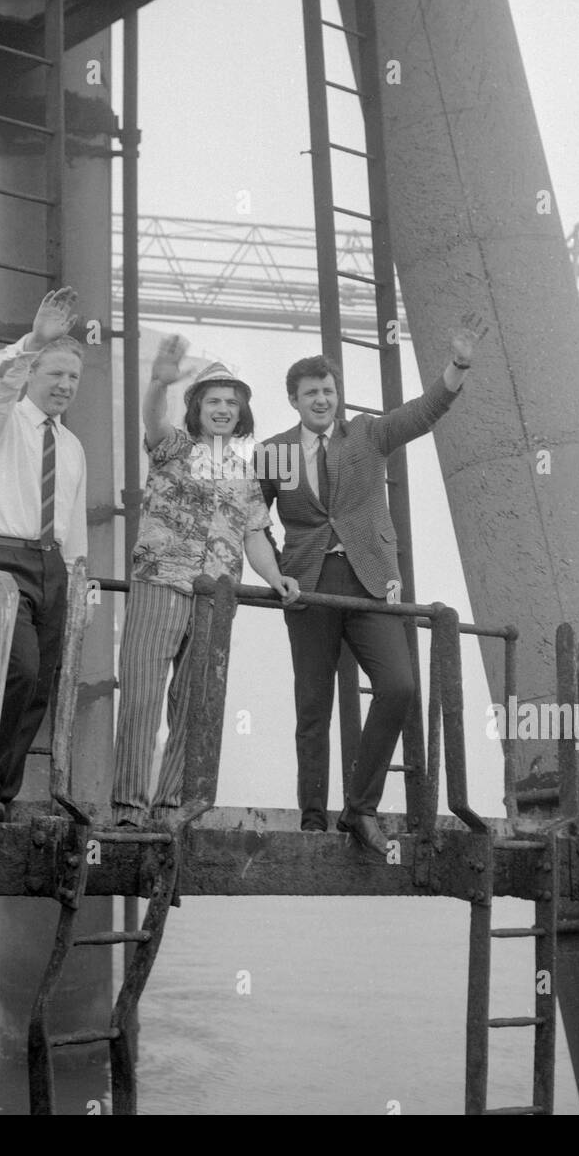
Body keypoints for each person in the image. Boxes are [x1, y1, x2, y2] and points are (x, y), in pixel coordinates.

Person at [257, 316, 487, 857]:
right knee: (312, 705)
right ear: (293, 399)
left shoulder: (367, 433)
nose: (322, 399)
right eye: (310, 392)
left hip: (368, 581)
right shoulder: (274, 452)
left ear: (338, 396)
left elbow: (424, 412)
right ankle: (312, 819)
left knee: (400, 687)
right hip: (307, 586)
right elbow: (252, 521)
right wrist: (275, 576)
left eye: (328, 391)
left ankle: (359, 809)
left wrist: (456, 365)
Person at [111, 335, 300, 827]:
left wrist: (277, 578)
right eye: (213, 401)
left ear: (242, 414)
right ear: (196, 407)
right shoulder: (173, 447)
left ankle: (171, 805)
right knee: (142, 696)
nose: (222, 410)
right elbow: (151, 419)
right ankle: (129, 808)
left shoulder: (247, 474)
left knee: (195, 706)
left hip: (216, 598)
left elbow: (255, 535)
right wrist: (158, 381)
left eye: (231, 404)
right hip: (160, 582)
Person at [0, 287, 87, 825]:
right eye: (55, 373)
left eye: (73, 378)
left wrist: (78, 583)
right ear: (33, 373)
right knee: (18, 668)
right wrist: (33, 340)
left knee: (43, 679)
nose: (64, 385)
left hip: (51, 566)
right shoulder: (1, 421)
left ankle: (0, 795)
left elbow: (72, 523)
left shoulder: (73, 446)